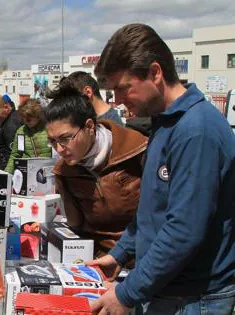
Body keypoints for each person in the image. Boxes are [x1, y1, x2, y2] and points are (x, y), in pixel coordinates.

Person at [89, 23, 235, 315]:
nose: (116, 100)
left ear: (155, 73)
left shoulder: (196, 131)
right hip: (167, 288)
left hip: (193, 298)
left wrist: (127, 294)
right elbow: (153, 210)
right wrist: (120, 253)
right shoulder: (166, 123)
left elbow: (184, 229)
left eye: (122, 87)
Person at [44, 87, 146, 259]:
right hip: (98, 260)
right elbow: (75, 227)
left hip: (143, 258)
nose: (59, 149)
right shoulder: (64, 172)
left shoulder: (139, 151)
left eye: (65, 138)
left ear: (90, 126)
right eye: (52, 141)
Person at [52, 71, 123, 125]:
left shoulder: (112, 124)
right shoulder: (86, 117)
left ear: (88, 92)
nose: (71, 104)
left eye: (73, 98)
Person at [5, 98, 52, 173]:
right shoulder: (21, 131)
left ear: (37, 116)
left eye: (29, 119)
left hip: (48, 172)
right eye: (23, 119)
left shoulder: (49, 128)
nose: (26, 122)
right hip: (28, 173)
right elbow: (15, 155)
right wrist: (7, 174)